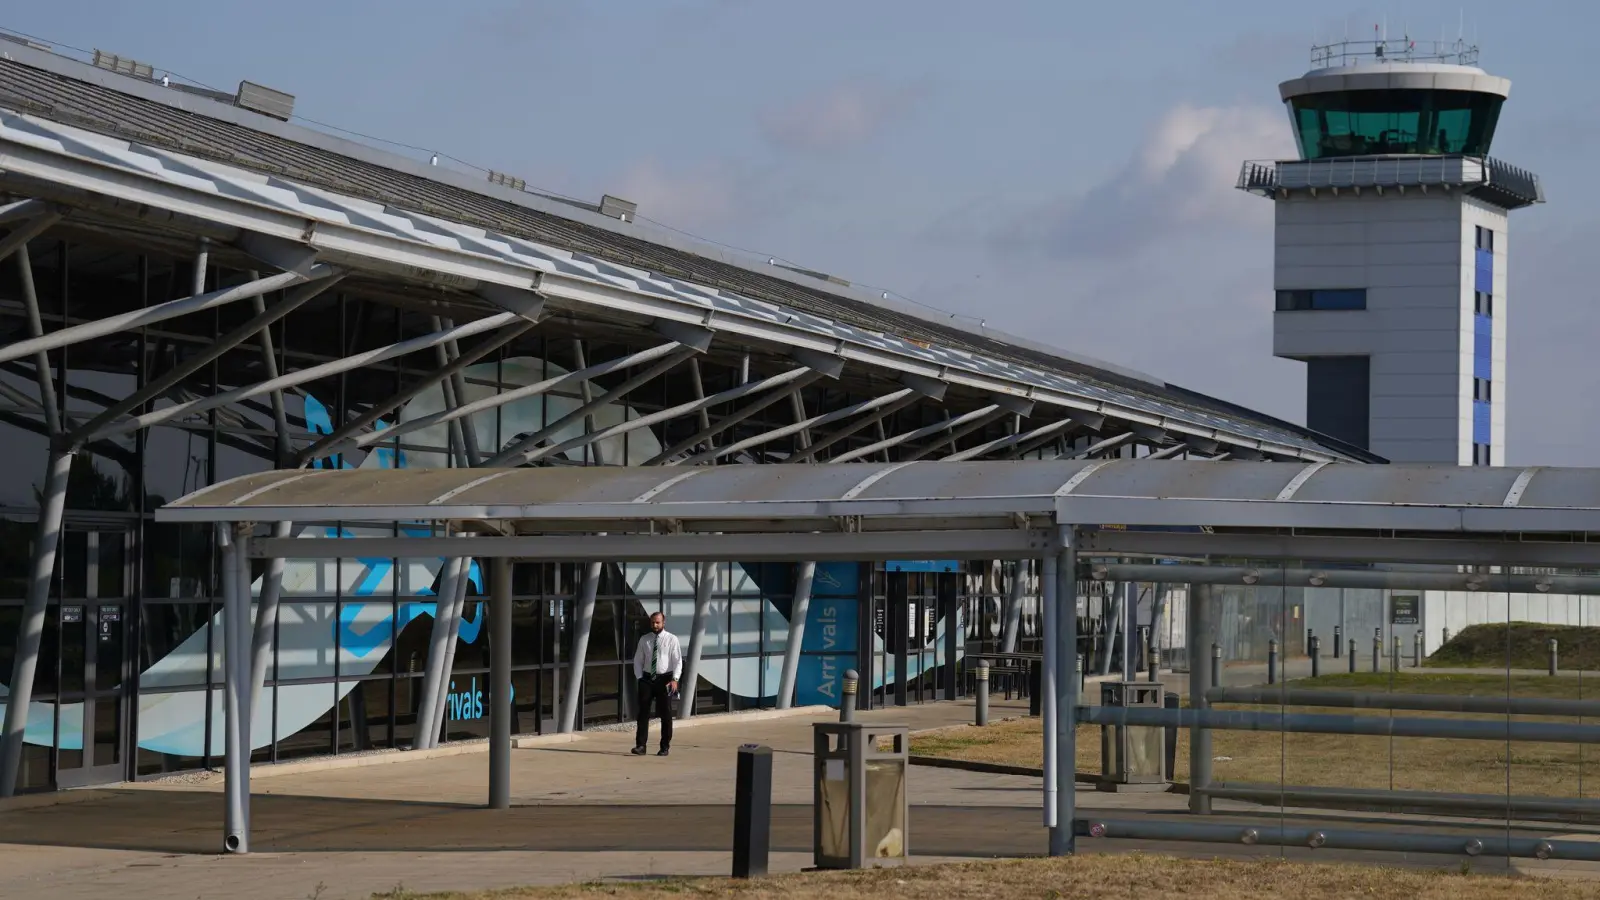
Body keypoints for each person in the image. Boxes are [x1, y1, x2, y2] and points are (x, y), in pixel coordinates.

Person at [632, 611, 682, 756]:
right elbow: (638, 660)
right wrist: (640, 678)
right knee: (643, 713)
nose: (655, 625)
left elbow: (677, 662)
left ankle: (664, 746)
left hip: (665, 679)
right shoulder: (644, 639)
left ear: (663, 622)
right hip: (647, 679)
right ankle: (641, 746)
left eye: (658, 622)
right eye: (653, 622)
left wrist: (675, 679)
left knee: (665, 714)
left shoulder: (672, 639)